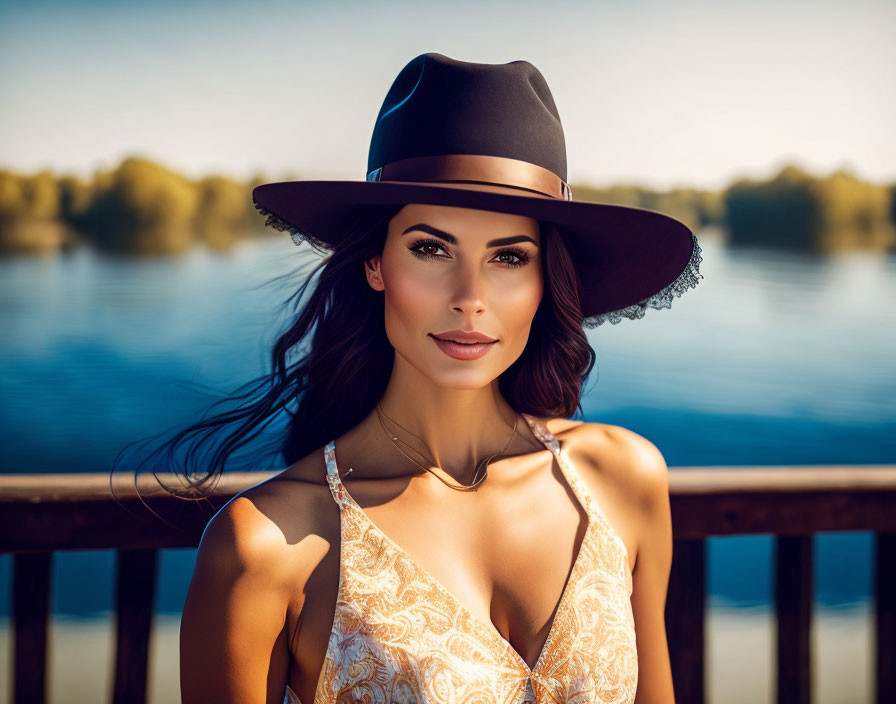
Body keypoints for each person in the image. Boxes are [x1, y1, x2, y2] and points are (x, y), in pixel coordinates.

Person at [176, 52, 703, 703]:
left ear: (544, 281)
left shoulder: (622, 478)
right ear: (376, 263)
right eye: (431, 248)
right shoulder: (267, 544)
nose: (470, 297)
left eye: (508, 257)